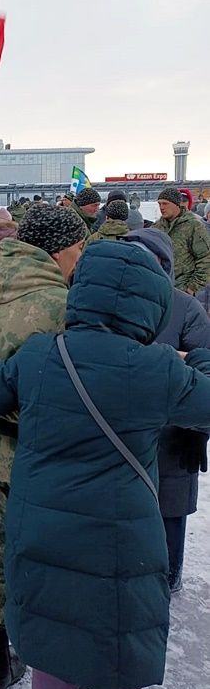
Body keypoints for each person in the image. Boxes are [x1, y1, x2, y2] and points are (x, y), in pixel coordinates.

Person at [0, 240, 210, 689]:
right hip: (121, 541)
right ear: (151, 305)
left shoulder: (40, 355)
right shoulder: (157, 370)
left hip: (43, 529)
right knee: (116, 648)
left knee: (52, 637)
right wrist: (198, 359)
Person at [0, 203, 86, 689]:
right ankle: (60, 677)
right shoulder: (61, 304)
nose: (80, 258)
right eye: (77, 248)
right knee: (56, 567)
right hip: (52, 463)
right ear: (57, 249)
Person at [126, 229, 210, 593]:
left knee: (170, 510)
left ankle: (170, 577)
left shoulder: (186, 308)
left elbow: (204, 371)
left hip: (174, 434)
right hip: (122, 428)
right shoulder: (113, 303)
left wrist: (198, 433)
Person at [153, 186, 210, 294]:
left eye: (165, 203)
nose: (161, 207)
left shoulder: (193, 225)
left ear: (176, 204)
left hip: (183, 290)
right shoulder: (156, 227)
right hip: (160, 290)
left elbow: (205, 258)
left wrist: (191, 288)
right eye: (159, 204)